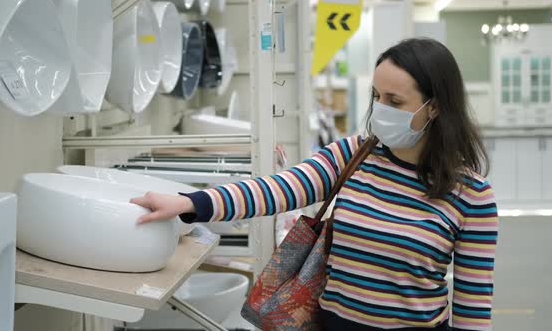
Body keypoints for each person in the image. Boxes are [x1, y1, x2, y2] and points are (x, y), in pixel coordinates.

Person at [130, 38, 498, 331]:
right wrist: (190, 202)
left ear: (433, 107)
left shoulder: (472, 197)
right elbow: (278, 189)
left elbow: (473, 306)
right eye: (377, 96)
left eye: (395, 100)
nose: (380, 108)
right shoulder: (356, 155)